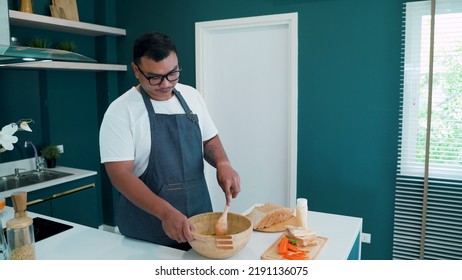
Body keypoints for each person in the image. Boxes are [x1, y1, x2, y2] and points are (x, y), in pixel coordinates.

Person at [99, 32, 240, 250]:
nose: (166, 84)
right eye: (155, 77)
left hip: (199, 226)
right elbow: (120, 175)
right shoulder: (120, 112)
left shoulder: (191, 96)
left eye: (173, 74)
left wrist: (223, 163)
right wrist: (165, 212)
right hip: (148, 234)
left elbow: (209, 138)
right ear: (136, 70)